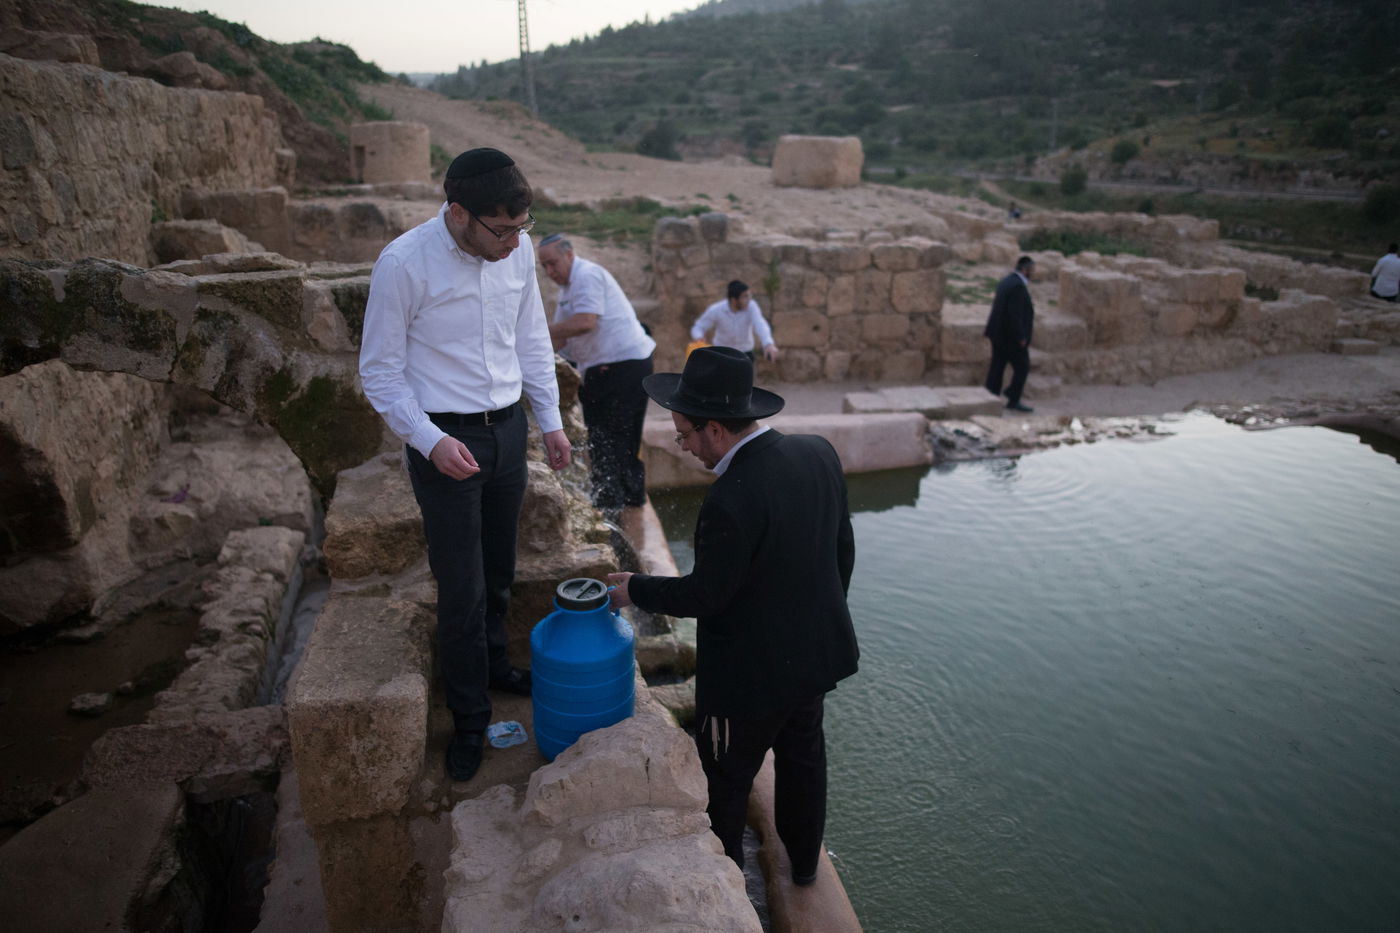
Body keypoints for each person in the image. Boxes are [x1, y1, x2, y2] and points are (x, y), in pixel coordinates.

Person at [606, 347, 859, 887]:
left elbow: (706, 596)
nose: (684, 446)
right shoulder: (817, 452)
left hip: (748, 681)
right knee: (804, 760)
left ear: (716, 430)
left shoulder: (729, 498)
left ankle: (727, 886)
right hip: (814, 656)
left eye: (684, 435)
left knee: (725, 777)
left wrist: (635, 589)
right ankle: (805, 867)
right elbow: (843, 554)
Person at [359, 147, 572, 783]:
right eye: (501, 230)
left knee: (500, 569)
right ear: (457, 213)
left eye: (522, 228)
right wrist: (428, 441)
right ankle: (470, 718)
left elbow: (532, 338)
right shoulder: (403, 263)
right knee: (461, 590)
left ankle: (496, 667)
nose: (513, 243)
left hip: (507, 431)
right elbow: (380, 372)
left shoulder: (516, 252)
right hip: (444, 440)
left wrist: (551, 421)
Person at [537, 233, 656, 513]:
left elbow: (585, 322)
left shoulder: (587, 275)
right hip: (607, 368)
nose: (550, 271)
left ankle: (614, 505)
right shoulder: (566, 291)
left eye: (553, 263)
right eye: (544, 266)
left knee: (614, 439)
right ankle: (621, 499)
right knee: (605, 439)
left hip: (622, 366)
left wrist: (537, 331)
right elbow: (560, 340)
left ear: (569, 254)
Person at [984, 255, 1037, 413]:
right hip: (1010, 337)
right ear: (1025, 269)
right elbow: (1015, 315)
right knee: (1023, 366)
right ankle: (1013, 397)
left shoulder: (1007, 281)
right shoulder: (1018, 287)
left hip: (998, 333)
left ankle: (990, 398)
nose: (1033, 273)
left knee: (997, 367)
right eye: (1032, 270)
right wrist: (1021, 337)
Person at [690, 280, 781, 362]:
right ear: (734, 300)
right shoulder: (716, 310)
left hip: (745, 354)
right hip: (722, 354)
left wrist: (768, 344)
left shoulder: (752, 306)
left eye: (749, 295)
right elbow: (698, 327)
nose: (749, 299)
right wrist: (698, 337)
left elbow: (760, 324)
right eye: (745, 297)